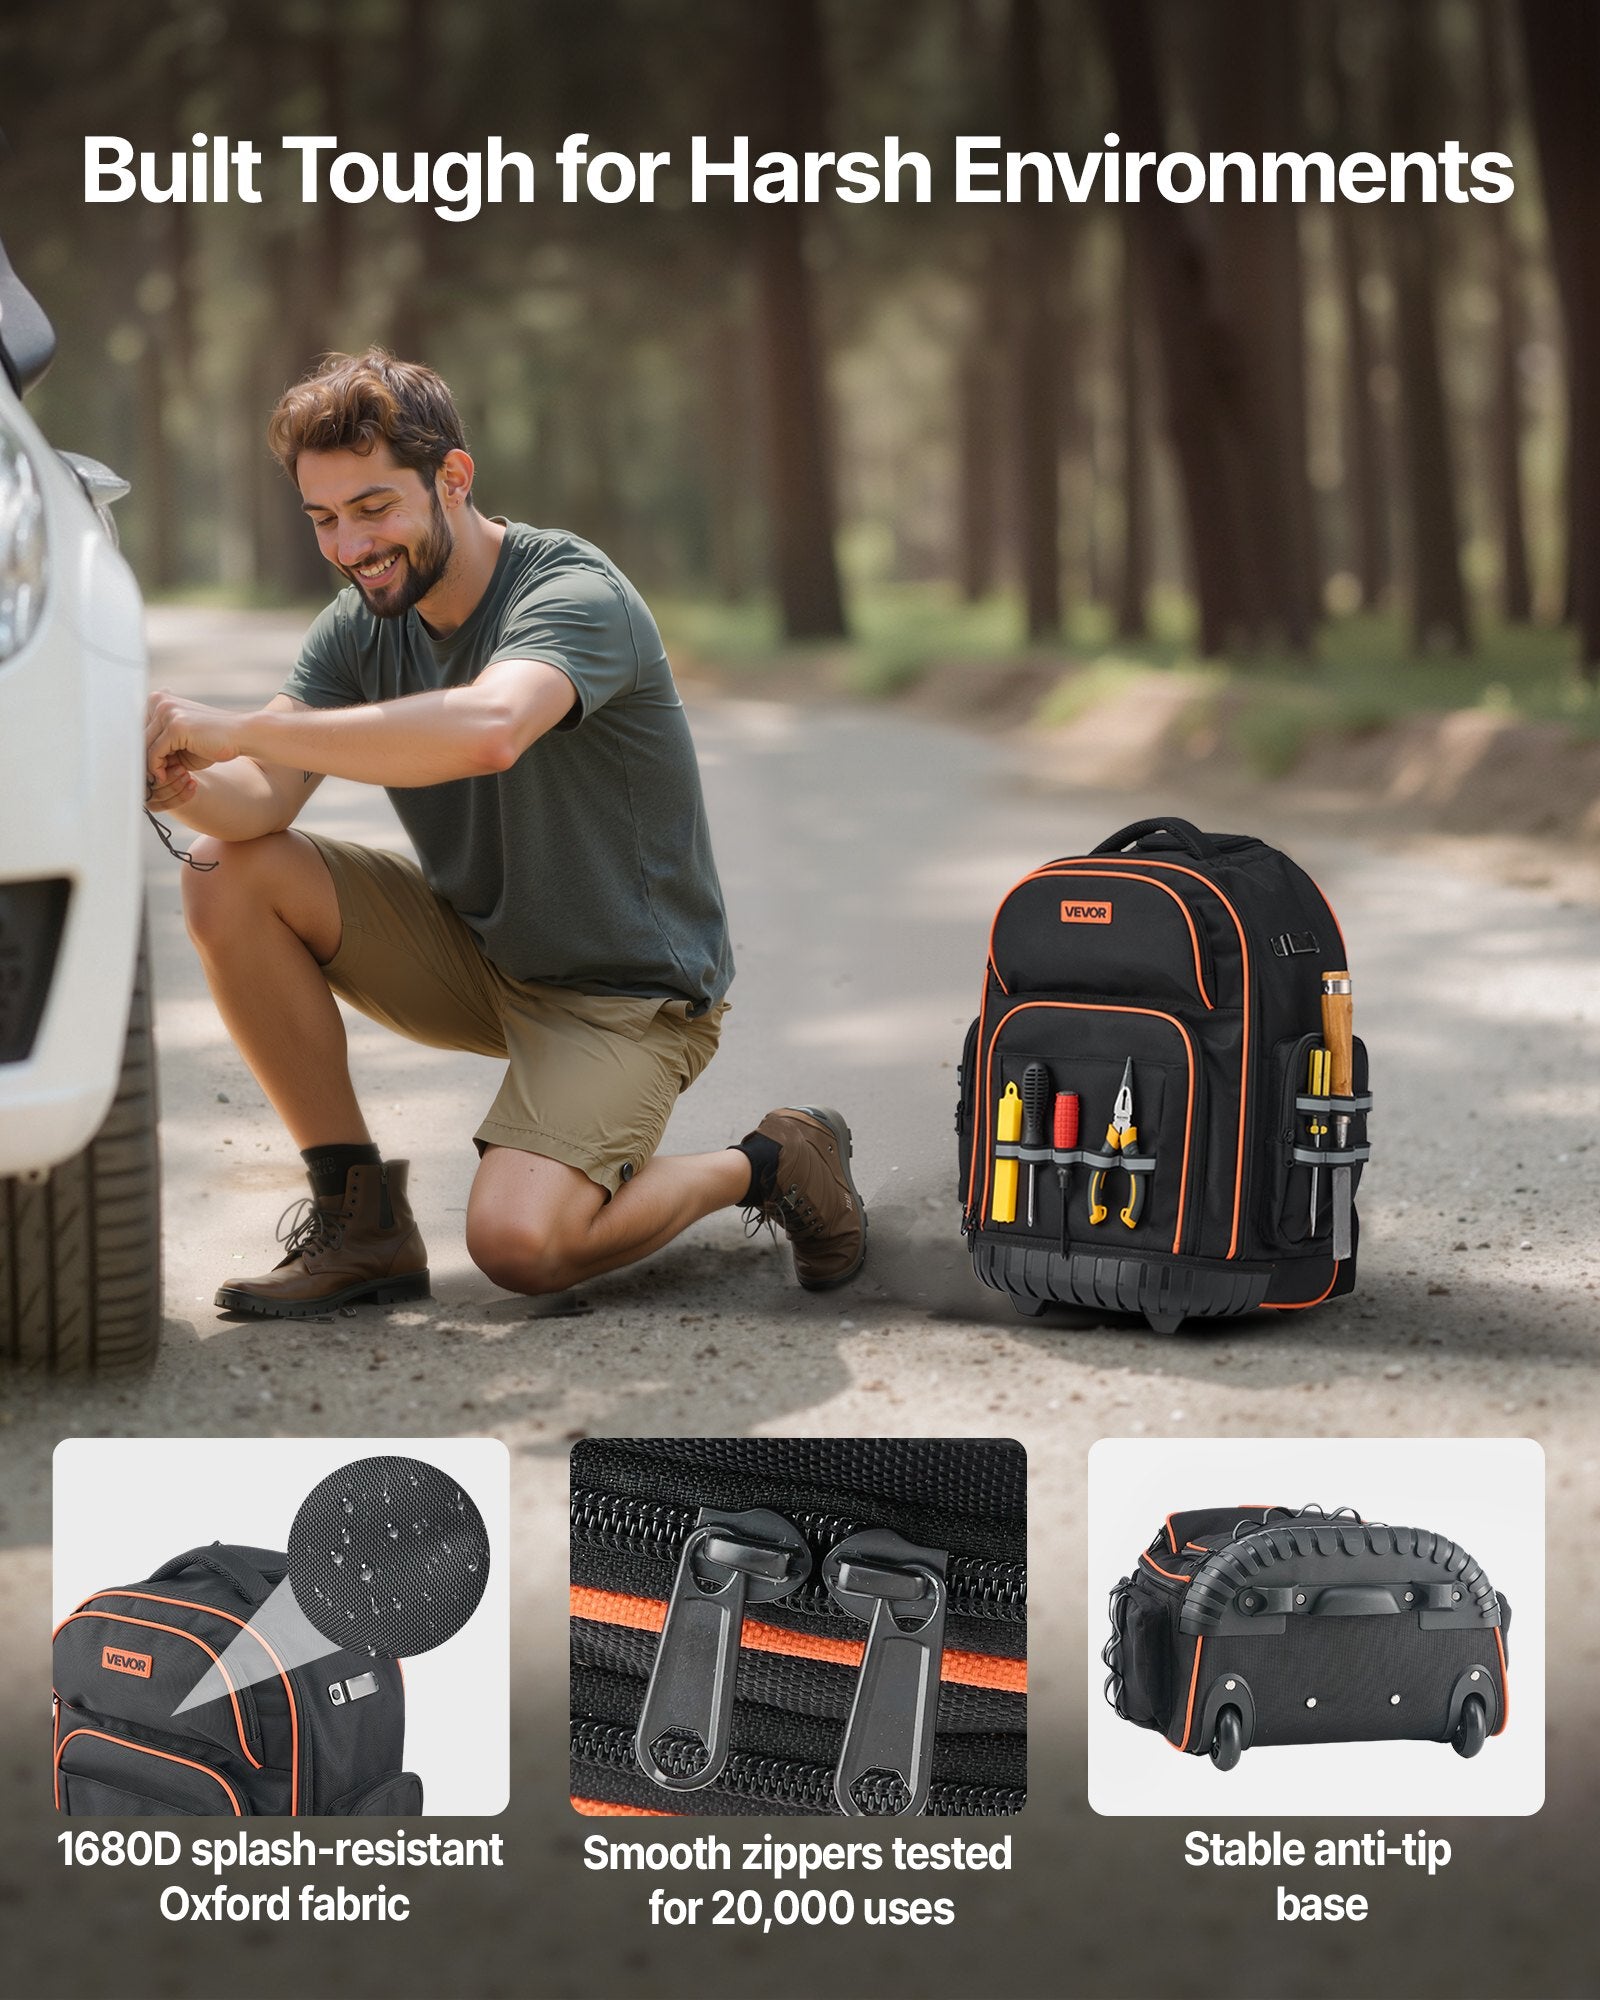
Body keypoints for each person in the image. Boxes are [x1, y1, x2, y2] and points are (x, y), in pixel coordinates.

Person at [144, 349, 865, 1318]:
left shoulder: (571, 592)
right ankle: (360, 1224)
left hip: (627, 998)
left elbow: (489, 729)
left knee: (520, 1244)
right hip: (483, 953)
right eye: (323, 519)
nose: (351, 546)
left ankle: (773, 1159)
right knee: (223, 867)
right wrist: (174, 780)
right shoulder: (360, 626)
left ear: (453, 476)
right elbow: (260, 797)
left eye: (372, 507)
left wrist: (240, 723)